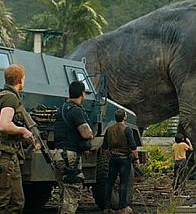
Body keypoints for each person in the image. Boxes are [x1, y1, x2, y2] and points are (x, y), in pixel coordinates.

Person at [0, 64, 40, 214]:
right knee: (0, 201)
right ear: (20, 80)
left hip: (9, 155)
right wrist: (23, 130)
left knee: (16, 201)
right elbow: (4, 125)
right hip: (4, 157)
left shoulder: (4, 95)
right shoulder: (10, 98)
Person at [53, 80, 94, 214]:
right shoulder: (76, 111)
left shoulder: (61, 109)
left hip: (58, 154)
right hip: (70, 156)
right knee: (72, 196)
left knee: (63, 195)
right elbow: (86, 133)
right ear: (82, 94)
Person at [103, 109, 139, 213]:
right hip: (124, 159)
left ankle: (107, 206)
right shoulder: (127, 129)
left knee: (110, 182)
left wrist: (110, 156)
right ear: (124, 117)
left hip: (113, 158)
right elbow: (133, 146)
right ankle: (122, 207)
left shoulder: (109, 129)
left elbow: (105, 147)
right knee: (123, 183)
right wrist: (136, 159)